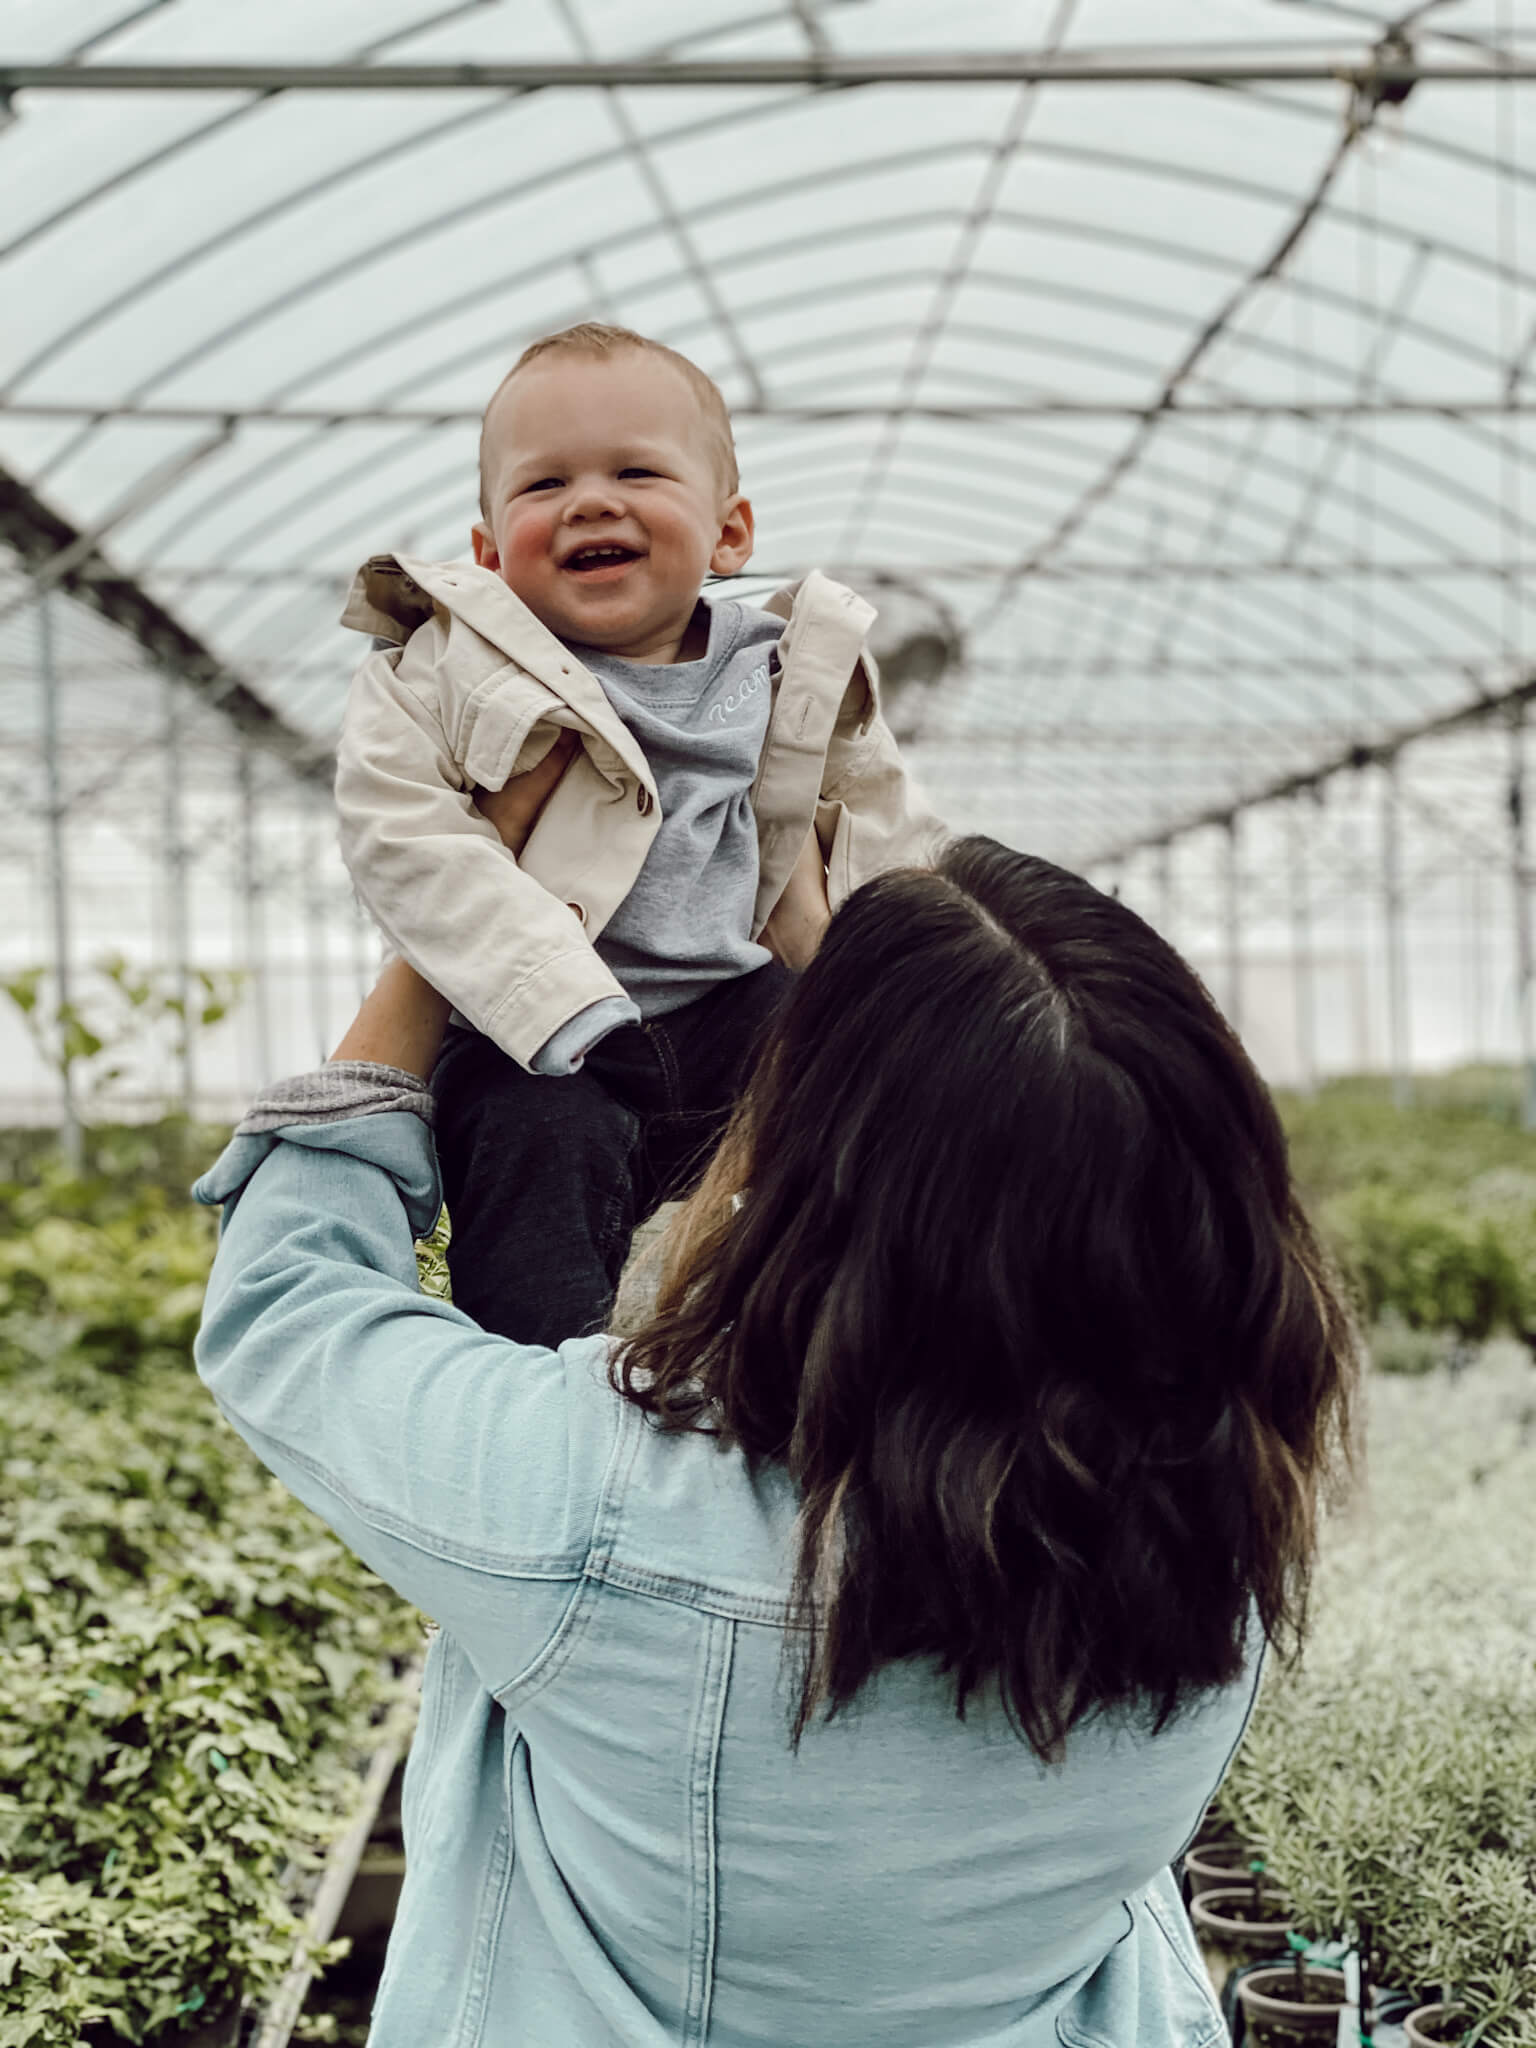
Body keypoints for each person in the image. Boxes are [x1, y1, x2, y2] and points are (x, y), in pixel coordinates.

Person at [193, 837, 1359, 2048]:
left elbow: (287, 1310)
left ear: (819, 1173)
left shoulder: (604, 1509)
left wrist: (443, 930)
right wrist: (882, 989)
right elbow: (1041, 1142)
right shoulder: (1219, 1550)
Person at [334, 321, 945, 1347]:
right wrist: (542, 998)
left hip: (736, 1000)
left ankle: (789, 1372)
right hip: (542, 1036)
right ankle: (552, 1400)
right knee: (533, 1162)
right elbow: (400, 836)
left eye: (636, 471)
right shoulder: (442, 666)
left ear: (731, 532)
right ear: (488, 554)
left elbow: (885, 830)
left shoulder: (794, 669)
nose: (590, 501)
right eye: (542, 486)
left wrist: (911, 998)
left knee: (830, 1153)